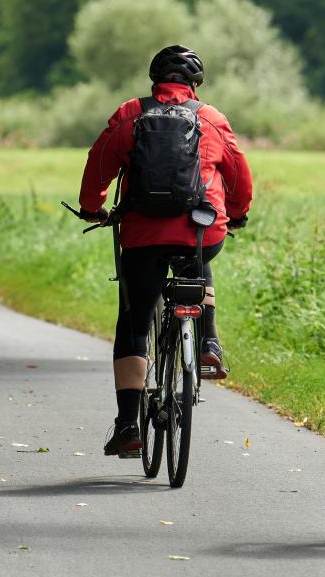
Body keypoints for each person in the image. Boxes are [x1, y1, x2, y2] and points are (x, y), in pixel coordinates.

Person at [77, 45, 253, 457]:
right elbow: (239, 173)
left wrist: (92, 207)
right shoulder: (210, 117)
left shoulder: (131, 113)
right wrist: (239, 212)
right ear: (194, 85)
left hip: (141, 235)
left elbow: (98, 162)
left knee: (134, 323)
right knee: (198, 258)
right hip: (201, 231)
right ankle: (208, 342)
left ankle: (127, 426)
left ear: (155, 81)